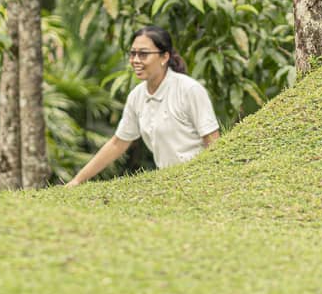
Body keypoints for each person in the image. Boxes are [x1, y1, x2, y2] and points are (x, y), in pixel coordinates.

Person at [66, 26, 219, 186]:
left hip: (200, 181)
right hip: (170, 185)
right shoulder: (137, 96)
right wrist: (77, 180)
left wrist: (212, 184)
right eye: (133, 54)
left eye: (143, 54)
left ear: (164, 57)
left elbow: (212, 141)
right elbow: (118, 144)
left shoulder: (189, 90)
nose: (136, 60)